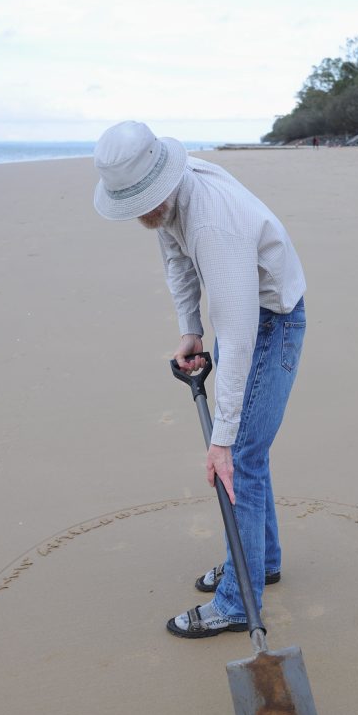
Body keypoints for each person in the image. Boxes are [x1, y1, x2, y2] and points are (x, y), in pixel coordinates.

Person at [93, 121, 306, 639]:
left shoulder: (213, 222)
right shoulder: (170, 200)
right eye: (134, 204)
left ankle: (238, 600)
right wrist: (190, 330)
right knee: (248, 454)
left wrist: (221, 440)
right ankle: (262, 562)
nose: (145, 212)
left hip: (272, 320)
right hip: (250, 315)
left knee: (241, 460)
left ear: (163, 180)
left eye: (148, 201)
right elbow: (175, 258)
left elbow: (236, 336)